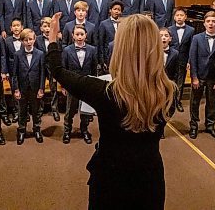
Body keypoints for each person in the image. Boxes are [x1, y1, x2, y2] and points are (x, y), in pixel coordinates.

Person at [47, 12, 173, 209]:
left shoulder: (103, 92)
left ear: (121, 49)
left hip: (110, 178)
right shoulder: (169, 91)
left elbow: (58, 71)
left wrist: (53, 41)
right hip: (150, 177)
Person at [189, 11, 215, 140]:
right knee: (195, 102)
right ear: (204, 23)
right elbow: (192, 58)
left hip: (214, 78)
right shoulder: (197, 38)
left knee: (212, 103)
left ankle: (210, 125)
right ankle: (194, 125)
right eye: (208, 21)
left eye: (214, 21)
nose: (211, 24)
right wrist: (194, 77)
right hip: (199, 77)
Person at [61, 24, 97, 144]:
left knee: (85, 110)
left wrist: (93, 84)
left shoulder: (92, 49)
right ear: (73, 36)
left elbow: (93, 69)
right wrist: (64, 86)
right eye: (77, 34)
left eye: (82, 34)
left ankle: (84, 130)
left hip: (86, 85)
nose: (80, 36)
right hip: (72, 85)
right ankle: (67, 131)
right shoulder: (67, 50)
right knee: (70, 110)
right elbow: (64, 70)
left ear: (86, 35)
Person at [12, 29, 45, 145]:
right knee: (22, 110)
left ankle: (37, 129)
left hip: (35, 87)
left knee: (36, 110)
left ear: (34, 39)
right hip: (22, 88)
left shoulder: (40, 54)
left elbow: (42, 73)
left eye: (31, 39)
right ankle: (21, 130)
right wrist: (16, 89)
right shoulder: (17, 54)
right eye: (26, 40)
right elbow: (14, 73)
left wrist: (41, 88)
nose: (29, 42)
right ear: (22, 41)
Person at [168, 7, 194, 112]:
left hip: (183, 59)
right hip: (171, 59)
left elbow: (191, 47)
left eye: (181, 15)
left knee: (180, 81)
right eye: (177, 15)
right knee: (169, 80)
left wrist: (189, 61)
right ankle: (168, 101)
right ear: (174, 17)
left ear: (185, 17)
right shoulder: (169, 29)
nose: (179, 17)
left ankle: (177, 101)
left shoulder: (191, 30)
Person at [35, 17, 61, 122]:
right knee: (39, 87)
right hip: (41, 66)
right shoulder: (36, 39)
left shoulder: (57, 39)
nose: (47, 29)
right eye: (45, 26)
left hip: (52, 66)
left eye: (49, 26)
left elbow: (59, 53)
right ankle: (40, 109)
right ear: (41, 28)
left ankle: (55, 109)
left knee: (53, 87)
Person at [159, 27, 179, 139]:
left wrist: (173, 84)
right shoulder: (152, 52)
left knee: (169, 108)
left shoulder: (175, 53)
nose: (163, 38)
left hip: (168, 85)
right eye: (161, 35)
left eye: (166, 36)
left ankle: (162, 125)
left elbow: (177, 72)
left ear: (170, 38)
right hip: (155, 85)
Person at [98, 0, 123, 72]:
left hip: (121, 55)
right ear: (110, 10)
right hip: (108, 55)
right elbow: (101, 43)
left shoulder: (124, 23)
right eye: (115, 9)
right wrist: (102, 60)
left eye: (119, 10)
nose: (116, 11)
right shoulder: (104, 24)